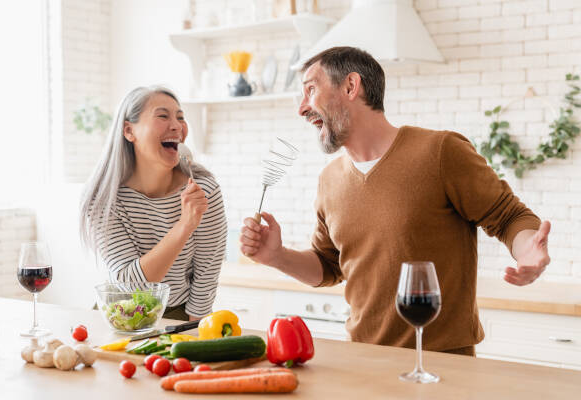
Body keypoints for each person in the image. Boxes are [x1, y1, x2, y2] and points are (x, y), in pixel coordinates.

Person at [239, 47, 551, 356]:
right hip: (364, 359)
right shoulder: (329, 180)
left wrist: (527, 251)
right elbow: (328, 265)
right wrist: (276, 256)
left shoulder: (440, 151)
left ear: (351, 86)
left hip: (442, 362)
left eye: (310, 89)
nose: (302, 108)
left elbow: (508, 217)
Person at [80, 86, 227, 321]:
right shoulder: (104, 200)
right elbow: (131, 287)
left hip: (178, 315)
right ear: (129, 130)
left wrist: (195, 333)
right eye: (163, 116)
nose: (177, 126)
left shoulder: (205, 190)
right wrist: (184, 225)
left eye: (180, 117)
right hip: (121, 315)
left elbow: (206, 272)